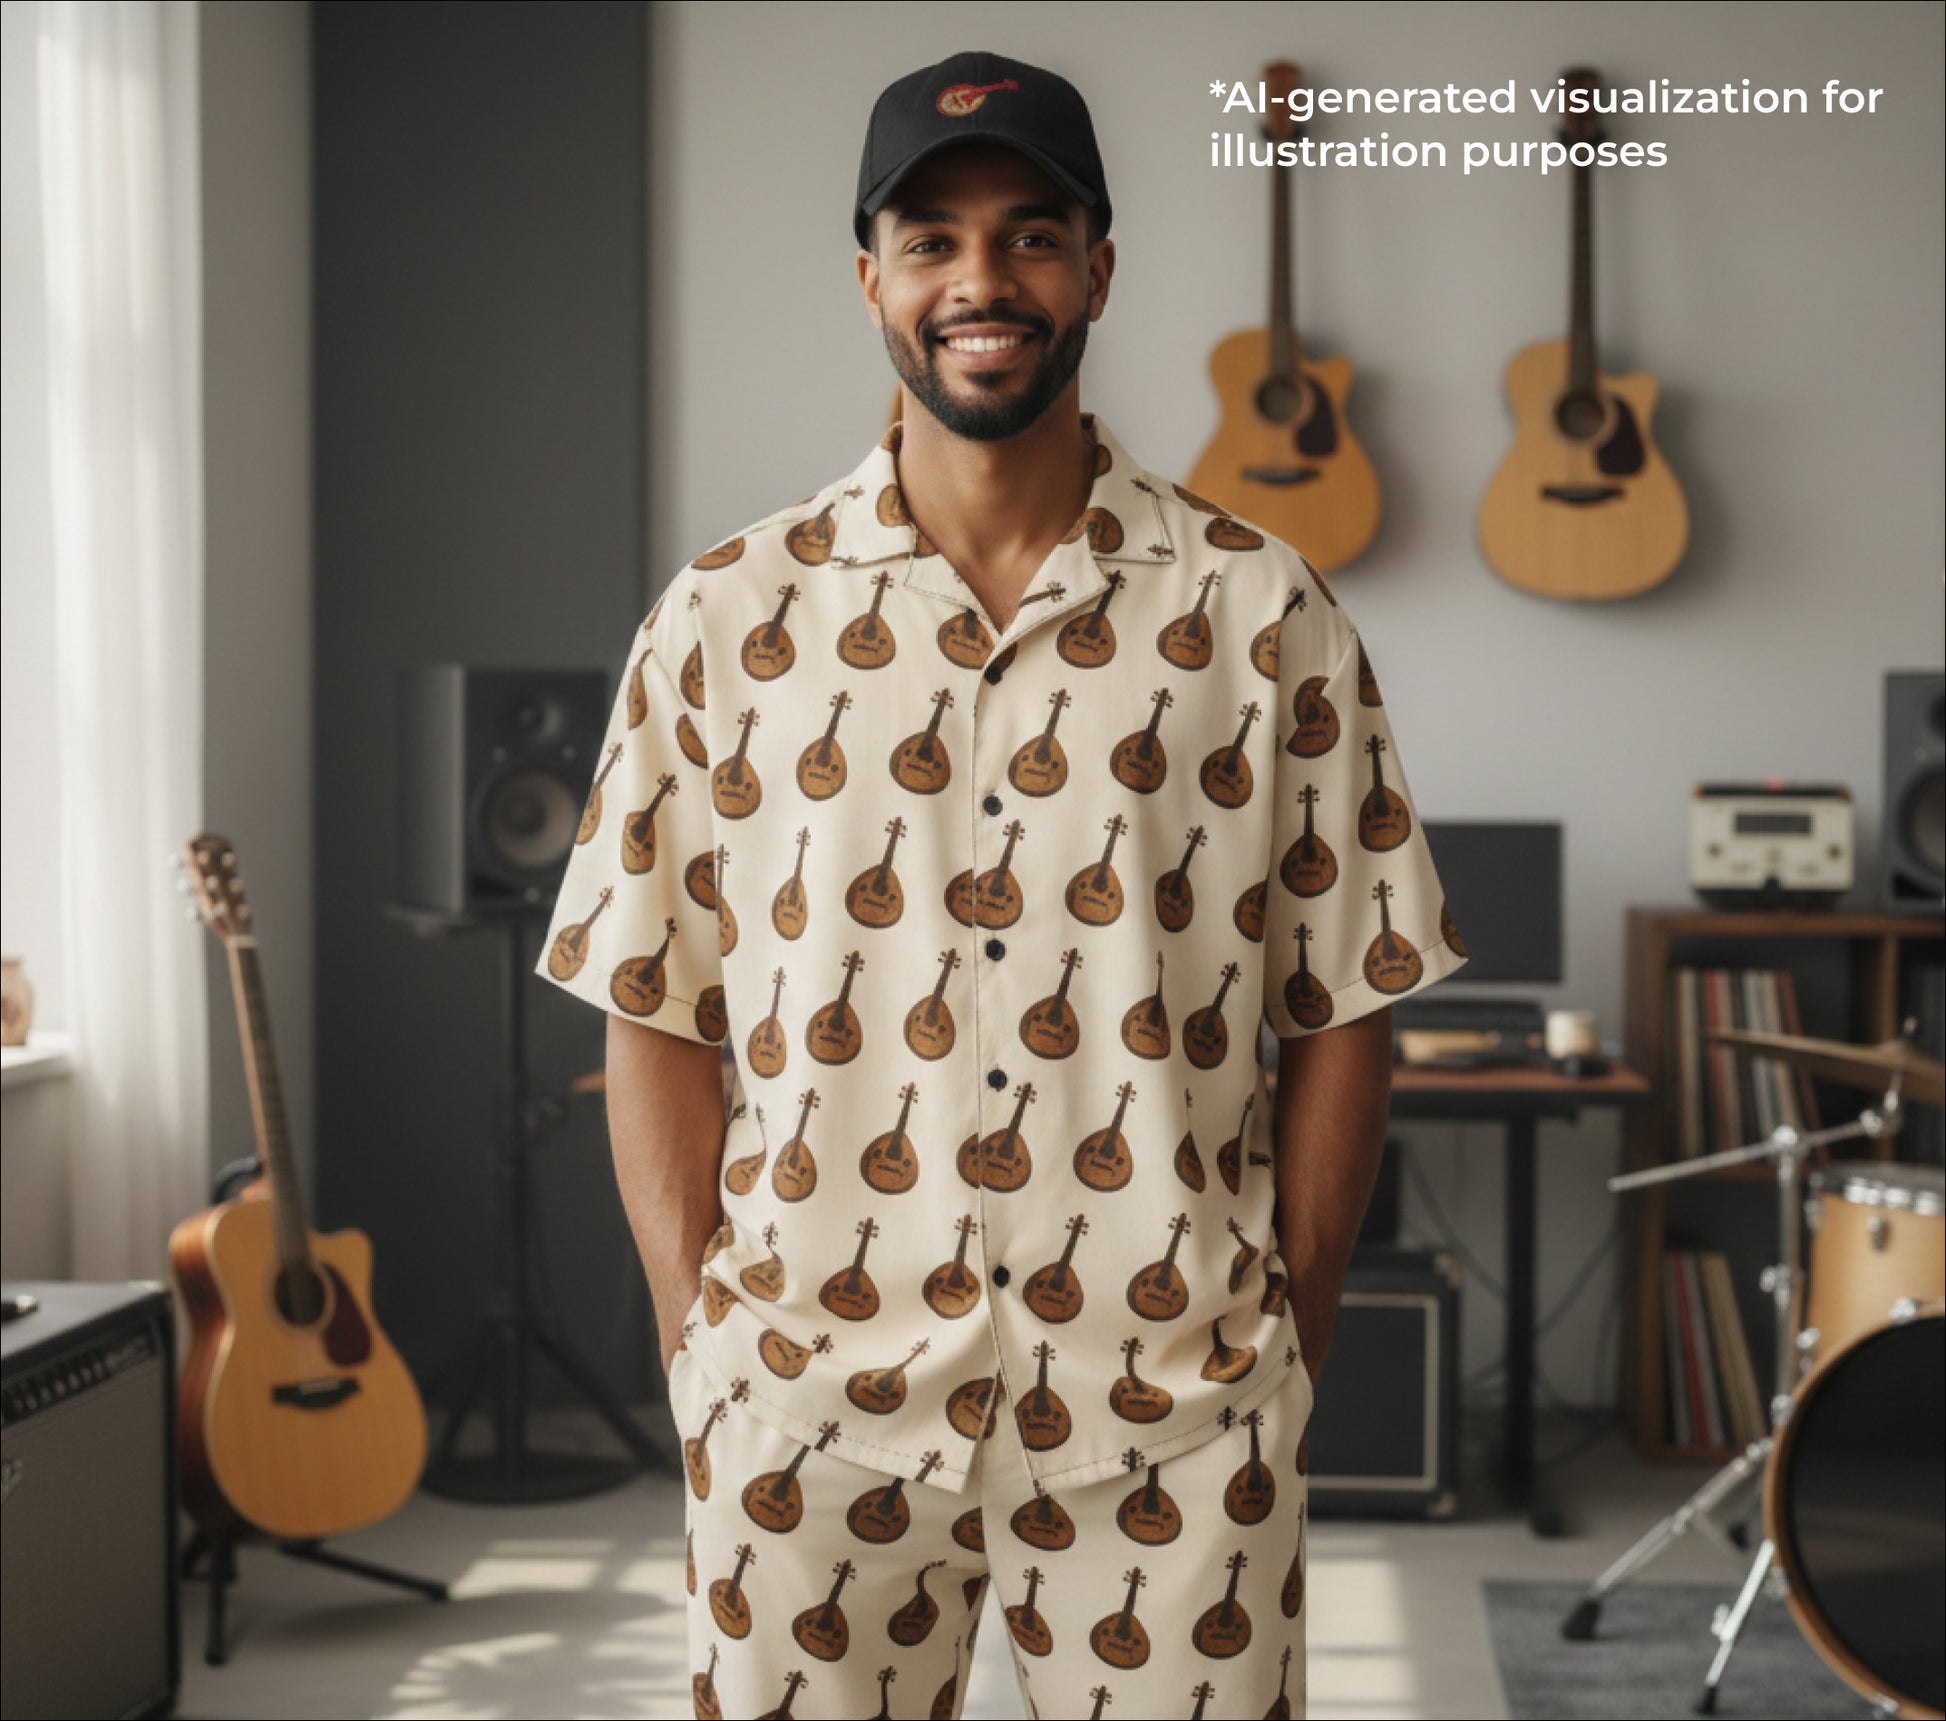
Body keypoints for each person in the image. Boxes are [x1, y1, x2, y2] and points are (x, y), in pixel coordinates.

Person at [536, 47, 1467, 1720]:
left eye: (1032, 236)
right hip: (802, 1416)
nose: (984, 279)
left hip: (1176, 1417)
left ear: (1098, 268)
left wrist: (1286, 1345)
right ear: (872, 279)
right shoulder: (723, 622)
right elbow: (649, 1001)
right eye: (933, 238)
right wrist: (704, 1351)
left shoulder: (1263, 616)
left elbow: (1347, 1003)